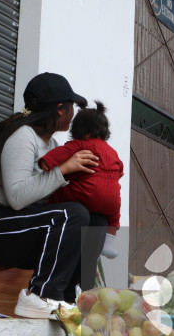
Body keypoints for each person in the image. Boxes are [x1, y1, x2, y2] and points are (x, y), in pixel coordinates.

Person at [0, 72, 107, 319]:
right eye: (71, 107)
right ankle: (41, 295)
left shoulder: (52, 147)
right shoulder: (23, 136)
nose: (73, 113)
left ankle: (74, 299)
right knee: (74, 215)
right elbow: (16, 197)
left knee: (94, 220)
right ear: (60, 109)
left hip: (13, 224)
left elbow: (45, 198)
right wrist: (63, 170)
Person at [39, 101, 123, 259]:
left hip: (86, 193)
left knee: (58, 194)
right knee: (113, 217)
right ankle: (108, 243)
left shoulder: (80, 145)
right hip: (111, 200)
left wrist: (46, 162)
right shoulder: (112, 151)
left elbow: (61, 153)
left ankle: (45, 210)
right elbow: (119, 168)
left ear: (79, 129)